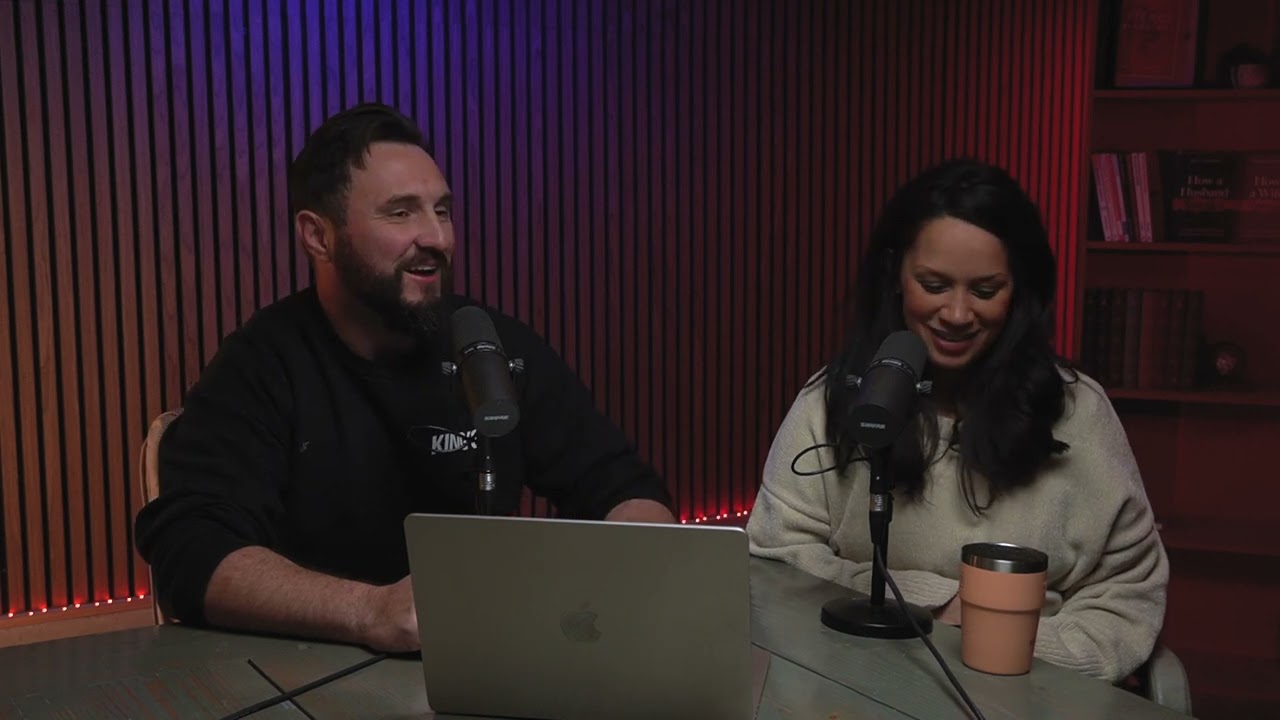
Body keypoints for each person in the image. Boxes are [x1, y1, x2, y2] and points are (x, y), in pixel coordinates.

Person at [134, 102, 675, 653]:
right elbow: (192, 551)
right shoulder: (263, 362)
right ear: (318, 236)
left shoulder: (493, 345)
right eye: (401, 213)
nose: (438, 237)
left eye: (443, 211)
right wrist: (369, 613)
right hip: (312, 667)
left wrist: (653, 574)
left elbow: (622, 488)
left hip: (484, 661)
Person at [745, 158, 1168, 683]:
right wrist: (935, 608)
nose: (958, 314)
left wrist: (1001, 646)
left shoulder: (1078, 411)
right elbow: (775, 563)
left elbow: (1128, 595)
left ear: (1019, 291)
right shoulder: (829, 401)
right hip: (851, 682)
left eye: (985, 291)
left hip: (1036, 690)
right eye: (934, 284)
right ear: (896, 275)